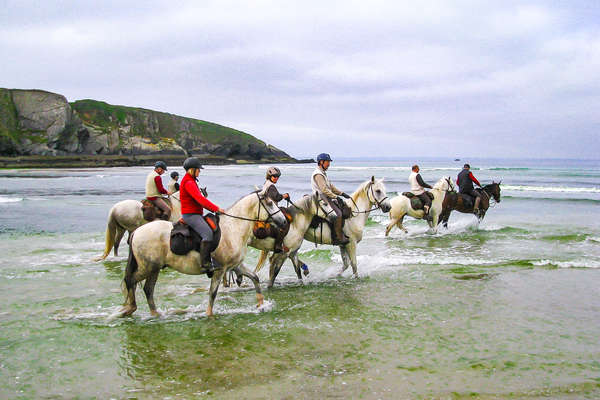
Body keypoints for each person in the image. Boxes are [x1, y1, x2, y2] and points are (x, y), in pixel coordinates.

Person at [180, 157, 226, 275]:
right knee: (207, 233)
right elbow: (200, 200)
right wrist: (216, 208)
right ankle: (205, 263)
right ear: (192, 170)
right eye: (198, 170)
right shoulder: (189, 182)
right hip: (191, 215)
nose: (199, 172)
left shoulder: (191, 180)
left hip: (196, 214)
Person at [311, 153, 351, 245]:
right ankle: (337, 237)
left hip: (326, 197)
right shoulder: (318, 174)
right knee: (338, 214)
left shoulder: (323, 173)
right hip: (321, 198)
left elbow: (330, 186)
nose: (329, 164)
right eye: (327, 162)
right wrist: (336, 197)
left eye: (329, 162)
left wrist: (342, 193)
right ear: (321, 162)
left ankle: (342, 232)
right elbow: (324, 189)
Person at [261, 166, 290, 253]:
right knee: (284, 224)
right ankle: (278, 245)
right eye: (274, 176)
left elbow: (274, 195)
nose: (276, 178)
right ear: (270, 176)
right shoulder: (271, 186)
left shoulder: (266, 183)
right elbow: (277, 197)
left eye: (277, 177)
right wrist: (285, 196)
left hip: (267, 207)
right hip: (270, 210)